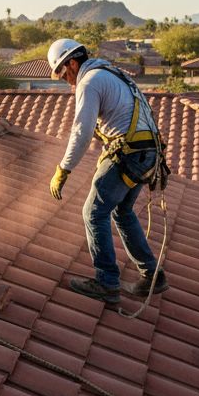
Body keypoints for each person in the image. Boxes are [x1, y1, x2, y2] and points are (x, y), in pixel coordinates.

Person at [46, 38, 168, 304]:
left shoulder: (89, 82)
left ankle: (107, 283)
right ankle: (153, 276)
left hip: (131, 154)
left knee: (93, 212)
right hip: (146, 153)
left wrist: (63, 169)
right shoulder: (111, 74)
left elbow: (82, 132)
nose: (67, 81)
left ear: (72, 63)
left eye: (64, 74)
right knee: (121, 211)